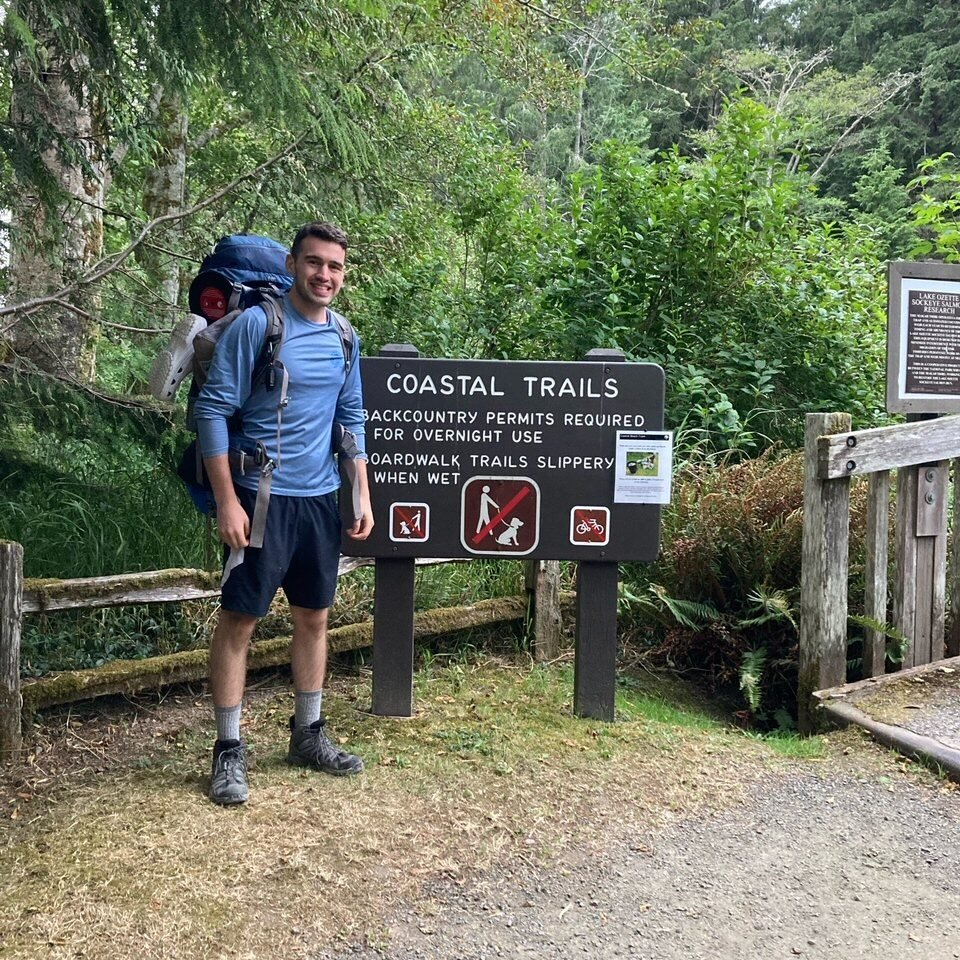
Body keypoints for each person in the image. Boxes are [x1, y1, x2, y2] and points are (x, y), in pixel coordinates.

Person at [193, 221, 373, 805]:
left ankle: (308, 734)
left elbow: (352, 420)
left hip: (319, 501)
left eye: (335, 267)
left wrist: (361, 492)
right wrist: (226, 501)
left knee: (314, 617)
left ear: (344, 275)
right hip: (260, 498)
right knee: (240, 620)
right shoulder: (256, 326)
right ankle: (227, 750)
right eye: (315, 263)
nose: (325, 275)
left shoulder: (345, 337)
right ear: (294, 264)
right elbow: (213, 411)